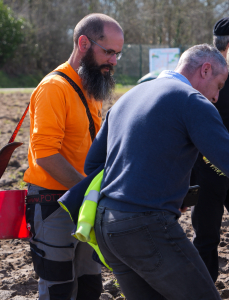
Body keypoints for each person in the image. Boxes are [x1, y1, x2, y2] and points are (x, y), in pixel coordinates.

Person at [84, 44, 229, 300]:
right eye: (219, 86)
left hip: (107, 227)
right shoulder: (192, 100)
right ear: (206, 70)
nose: (217, 97)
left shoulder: (130, 96)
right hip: (146, 225)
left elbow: (93, 165)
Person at [23, 13, 124, 300]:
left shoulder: (91, 88)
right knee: (58, 289)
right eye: (108, 52)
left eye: (118, 53)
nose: (114, 61)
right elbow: (45, 155)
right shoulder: (54, 88)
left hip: (84, 202)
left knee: (90, 287)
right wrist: (87, 192)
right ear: (83, 43)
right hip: (53, 205)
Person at [190, 18, 229, 283]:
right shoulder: (205, 75)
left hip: (208, 168)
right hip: (208, 169)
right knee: (205, 237)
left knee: (205, 237)